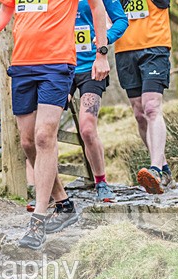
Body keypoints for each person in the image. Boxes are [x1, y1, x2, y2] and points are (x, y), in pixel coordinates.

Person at [0, 0, 110, 250]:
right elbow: (6, 9)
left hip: (57, 64)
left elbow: (97, 7)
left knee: (44, 137)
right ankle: (63, 203)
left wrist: (101, 52)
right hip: (23, 65)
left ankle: (37, 219)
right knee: (27, 142)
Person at [115, 0, 178, 193]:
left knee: (151, 107)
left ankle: (155, 169)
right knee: (139, 114)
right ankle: (164, 170)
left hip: (155, 46)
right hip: (124, 48)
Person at [71, 0, 128, 202]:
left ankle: (101, 181)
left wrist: (104, 40)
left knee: (87, 128)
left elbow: (121, 20)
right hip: (60, 67)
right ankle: (47, 188)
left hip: (91, 68)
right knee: (42, 128)